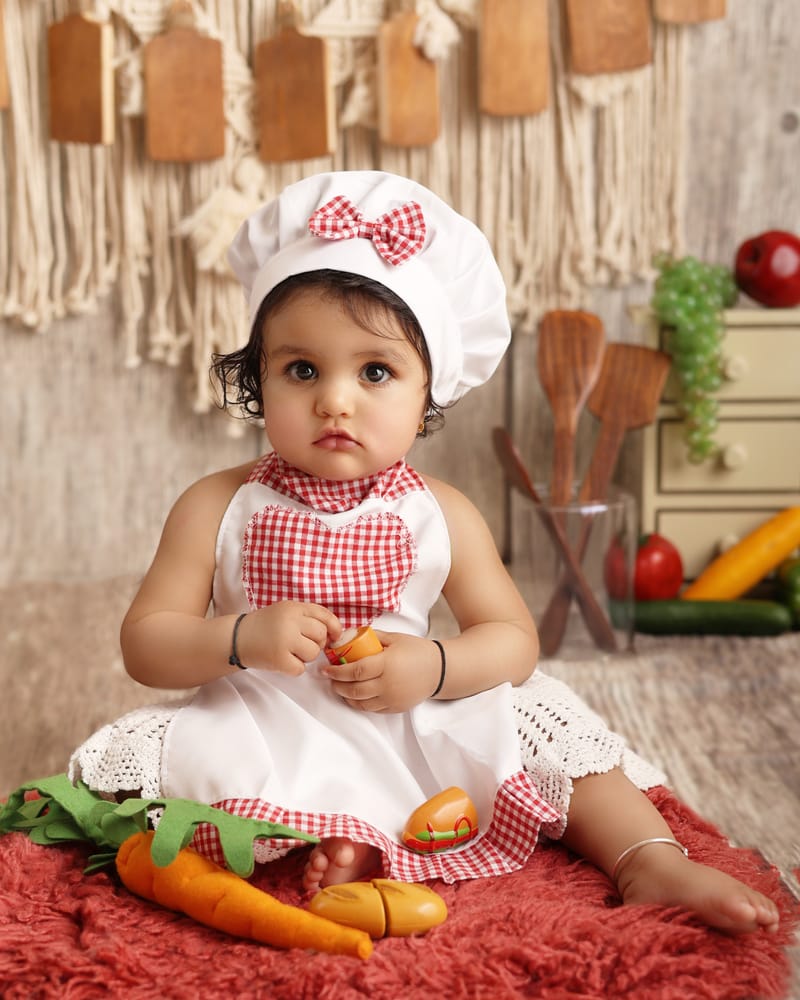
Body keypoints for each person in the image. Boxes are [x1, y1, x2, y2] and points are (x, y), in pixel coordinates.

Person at [71, 171, 778, 934]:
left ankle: (647, 857)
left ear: (427, 394)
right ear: (259, 378)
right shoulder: (217, 504)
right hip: (263, 715)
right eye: (301, 369)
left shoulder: (440, 512)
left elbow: (513, 642)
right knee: (149, 773)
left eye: (375, 371)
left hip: (411, 711)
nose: (334, 399)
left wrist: (434, 666)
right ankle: (337, 835)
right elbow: (147, 643)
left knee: (543, 720)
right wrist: (239, 638)